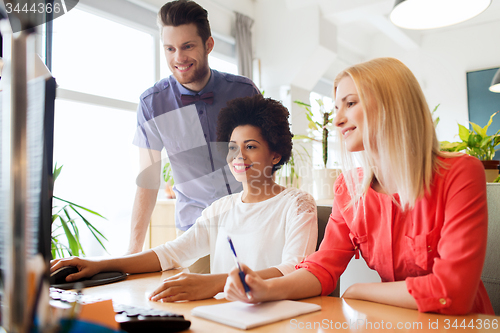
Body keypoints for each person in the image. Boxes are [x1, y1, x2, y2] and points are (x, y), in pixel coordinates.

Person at [224, 57, 494, 315]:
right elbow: (322, 269)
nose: (337, 120)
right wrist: (266, 289)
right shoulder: (349, 188)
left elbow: (453, 292)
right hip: (396, 322)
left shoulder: (461, 173)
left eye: (350, 103)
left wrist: (359, 291)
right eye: (337, 107)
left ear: (393, 104)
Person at [51, 94, 318, 302]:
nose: (239, 156)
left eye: (250, 147)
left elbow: (294, 269)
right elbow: (172, 253)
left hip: (275, 317)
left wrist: (217, 282)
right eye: (233, 147)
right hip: (225, 316)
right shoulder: (220, 209)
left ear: (275, 154)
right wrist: (100, 263)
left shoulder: (297, 204)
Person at [128, 0, 260, 264]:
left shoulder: (244, 92)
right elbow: (148, 180)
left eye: (188, 46)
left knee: (259, 301)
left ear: (208, 45)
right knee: (197, 304)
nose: (179, 58)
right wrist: (132, 254)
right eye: (170, 48)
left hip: (252, 224)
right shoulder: (152, 104)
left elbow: (266, 157)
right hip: (195, 234)